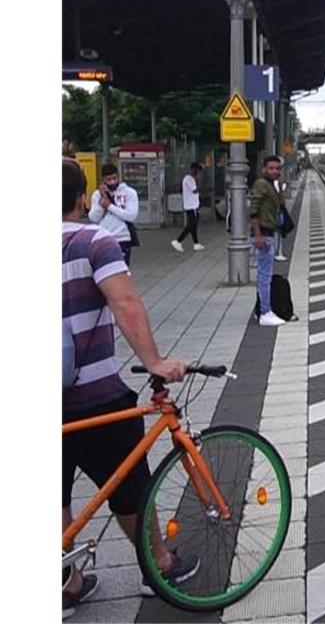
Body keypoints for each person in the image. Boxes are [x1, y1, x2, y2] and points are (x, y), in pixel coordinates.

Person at [62, 160, 198, 618]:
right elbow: (124, 301)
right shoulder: (91, 240)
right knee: (130, 485)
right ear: (82, 196)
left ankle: (65, 582)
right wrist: (154, 362)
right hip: (91, 394)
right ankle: (158, 566)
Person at [249, 155, 286, 326]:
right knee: (265, 276)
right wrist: (257, 235)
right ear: (264, 169)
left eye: (278, 168)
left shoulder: (271, 185)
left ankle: (261, 311)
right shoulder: (261, 185)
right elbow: (253, 210)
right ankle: (265, 312)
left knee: (265, 275)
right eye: (271, 168)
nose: (275, 171)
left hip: (268, 233)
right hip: (263, 234)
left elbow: (281, 204)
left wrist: (280, 186)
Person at [88, 163, 139, 267]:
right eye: (108, 179)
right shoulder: (97, 194)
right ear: (103, 180)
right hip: (103, 237)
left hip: (122, 238)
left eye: (114, 178)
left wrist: (110, 206)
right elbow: (93, 218)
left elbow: (131, 216)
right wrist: (102, 204)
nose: (112, 182)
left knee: (122, 269)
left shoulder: (129, 193)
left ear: (119, 176)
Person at [171, 162, 204, 252]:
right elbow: (196, 190)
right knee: (191, 224)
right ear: (194, 169)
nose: (198, 173)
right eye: (198, 171)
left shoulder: (191, 179)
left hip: (193, 205)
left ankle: (196, 243)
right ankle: (178, 240)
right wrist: (199, 180)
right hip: (191, 205)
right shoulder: (189, 179)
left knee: (194, 224)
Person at [273, 176, 288, 263]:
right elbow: (281, 200)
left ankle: (278, 252)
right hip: (276, 212)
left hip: (279, 212)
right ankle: (277, 253)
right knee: (276, 233)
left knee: (278, 233)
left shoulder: (280, 185)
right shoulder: (275, 186)